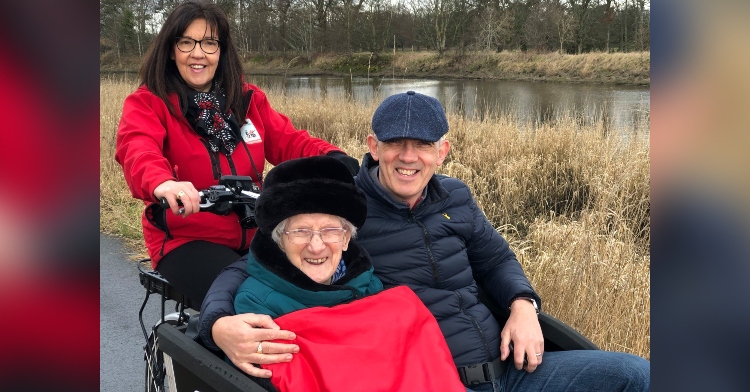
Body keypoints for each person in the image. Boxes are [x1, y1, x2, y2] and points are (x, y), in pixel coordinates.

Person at [198, 91, 650, 391]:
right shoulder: (342, 210)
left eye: (423, 144)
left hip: (515, 370)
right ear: (373, 146)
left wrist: (523, 306)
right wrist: (217, 324)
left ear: (442, 150)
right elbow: (249, 266)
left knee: (637, 376)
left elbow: (496, 260)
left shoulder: (455, 195)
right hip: (431, 376)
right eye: (396, 143)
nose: (409, 157)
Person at [114, 0, 358, 306]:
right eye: (186, 42)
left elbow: (290, 141)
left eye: (209, 43)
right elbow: (138, 149)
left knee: (320, 288)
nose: (198, 53)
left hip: (257, 230)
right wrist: (164, 183)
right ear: (171, 49)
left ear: (222, 50)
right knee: (250, 303)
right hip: (188, 239)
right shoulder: (149, 102)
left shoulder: (247, 99)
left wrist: (333, 158)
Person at [231, 155, 464, 391]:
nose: (316, 245)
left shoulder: (368, 284)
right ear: (280, 240)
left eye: (330, 231)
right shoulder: (255, 303)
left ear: (345, 239)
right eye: (300, 231)